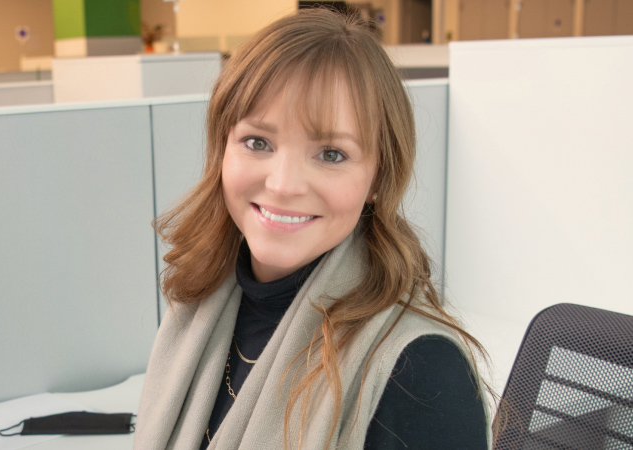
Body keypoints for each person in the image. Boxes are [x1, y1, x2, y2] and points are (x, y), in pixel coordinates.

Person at [133, 9, 491, 450]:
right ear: (221, 150)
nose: (283, 185)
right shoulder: (198, 306)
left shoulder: (421, 373)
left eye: (331, 154)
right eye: (257, 142)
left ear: (378, 178)